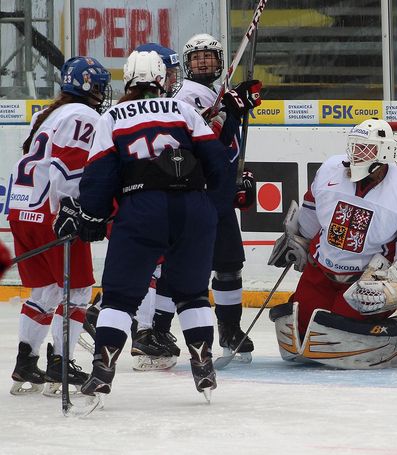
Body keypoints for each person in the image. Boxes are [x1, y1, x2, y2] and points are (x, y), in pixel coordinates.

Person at [70, 50, 230, 400]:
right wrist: (211, 209)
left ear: (127, 79)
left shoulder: (112, 116)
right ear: (162, 79)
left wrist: (92, 218)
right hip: (193, 208)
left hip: (142, 208)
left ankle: (102, 370)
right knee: (192, 294)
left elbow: (98, 175)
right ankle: (203, 365)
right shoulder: (183, 110)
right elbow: (217, 161)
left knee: (118, 298)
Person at [267, 118, 397, 369]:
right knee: (301, 332)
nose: (357, 154)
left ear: (384, 151)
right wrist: (298, 239)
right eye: (354, 146)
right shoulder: (331, 169)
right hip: (321, 269)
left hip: (365, 282)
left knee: (340, 331)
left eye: (365, 148)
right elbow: (311, 206)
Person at [149, 32, 261, 364]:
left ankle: (229, 329)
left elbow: (224, 147)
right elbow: (203, 142)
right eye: (197, 57)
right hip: (192, 192)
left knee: (228, 265)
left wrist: (235, 177)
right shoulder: (185, 95)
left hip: (217, 193)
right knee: (177, 264)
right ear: (186, 64)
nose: (203, 61)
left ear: (219, 61)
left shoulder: (214, 93)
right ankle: (157, 330)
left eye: (209, 56)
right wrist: (234, 110)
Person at [7, 56, 111, 395]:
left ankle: (25, 361)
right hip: (55, 214)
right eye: (98, 86)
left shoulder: (46, 113)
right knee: (77, 291)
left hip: (23, 211)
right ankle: (60, 364)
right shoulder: (84, 115)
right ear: (85, 87)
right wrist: (71, 204)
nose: (101, 93)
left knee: (46, 290)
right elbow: (69, 165)